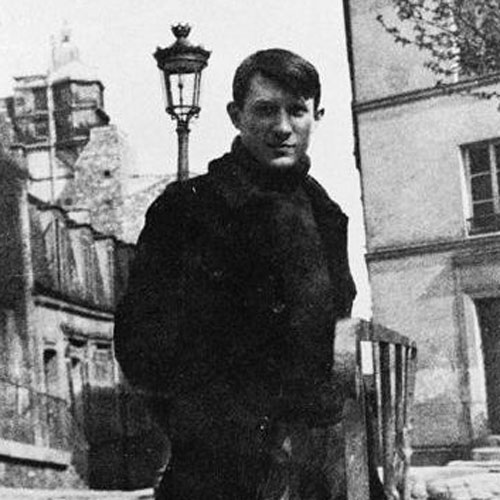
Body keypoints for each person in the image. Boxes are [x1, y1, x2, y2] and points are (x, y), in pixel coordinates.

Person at [114, 48, 377, 500]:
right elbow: (140, 344)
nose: (282, 127)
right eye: (265, 110)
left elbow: (334, 330)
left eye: (297, 111)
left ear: (317, 116)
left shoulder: (327, 215)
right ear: (236, 116)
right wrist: (211, 428)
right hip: (218, 469)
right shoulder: (188, 209)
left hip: (313, 470)